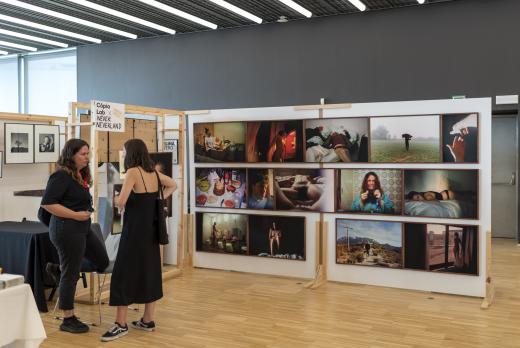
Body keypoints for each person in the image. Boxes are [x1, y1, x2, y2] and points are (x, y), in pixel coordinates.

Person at [101, 139, 177, 342]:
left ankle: (120, 324)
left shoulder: (133, 172)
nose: (122, 153)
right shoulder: (153, 173)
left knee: (123, 274)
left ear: (131, 153)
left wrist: (112, 198)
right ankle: (148, 319)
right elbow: (173, 185)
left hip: (134, 233)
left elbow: (122, 201)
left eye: (124, 150)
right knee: (150, 272)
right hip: (150, 233)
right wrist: (158, 202)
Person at [41, 139, 109, 334]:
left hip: (82, 227)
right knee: (71, 275)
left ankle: (59, 269)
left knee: (102, 261)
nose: (87, 157)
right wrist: (75, 214)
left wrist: (84, 212)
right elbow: (47, 204)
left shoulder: (80, 174)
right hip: (66, 229)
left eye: (88, 154)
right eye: (83, 154)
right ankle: (68, 318)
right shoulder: (61, 176)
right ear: (71, 155)